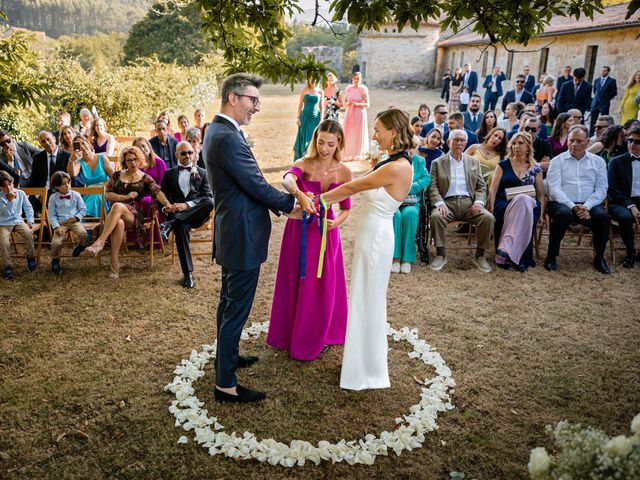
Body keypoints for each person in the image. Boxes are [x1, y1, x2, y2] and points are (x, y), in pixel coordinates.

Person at [204, 73, 305, 403]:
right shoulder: (228, 137)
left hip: (233, 230)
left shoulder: (219, 131)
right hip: (241, 233)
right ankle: (225, 385)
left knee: (228, 302)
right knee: (236, 308)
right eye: (253, 100)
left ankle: (227, 358)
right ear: (233, 98)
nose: (257, 107)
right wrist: (292, 204)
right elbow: (257, 184)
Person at [319, 108, 413, 390]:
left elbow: (354, 186)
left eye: (378, 130)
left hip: (376, 238)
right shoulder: (391, 159)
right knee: (363, 295)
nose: (373, 135)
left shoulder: (397, 167)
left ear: (393, 132)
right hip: (372, 233)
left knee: (367, 298)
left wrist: (319, 199)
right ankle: (360, 361)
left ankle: (365, 370)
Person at [267, 120, 351, 361]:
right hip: (300, 231)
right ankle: (291, 332)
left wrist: (337, 223)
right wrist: (299, 194)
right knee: (297, 279)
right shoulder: (303, 164)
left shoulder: (344, 171)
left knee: (323, 284)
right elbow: (287, 180)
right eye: (321, 142)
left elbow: (346, 208)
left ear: (339, 144)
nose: (324, 148)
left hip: (326, 233)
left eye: (330, 144)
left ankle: (322, 333)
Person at [84, 146, 172, 279]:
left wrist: (167, 204)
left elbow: (157, 192)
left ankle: (100, 241)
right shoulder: (117, 175)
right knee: (118, 223)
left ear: (140, 160)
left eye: (135, 159)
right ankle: (114, 266)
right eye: (129, 160)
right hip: (117, 216)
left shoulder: (145, 178)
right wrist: (124, 197)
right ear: (124, 162)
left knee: (118, 206)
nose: (133, 162)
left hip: (137, 215)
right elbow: (107, 195)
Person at [545, 125, 610, 274]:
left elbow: (601, 189)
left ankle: (599, 258)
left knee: (602, 217)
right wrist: (573, 206)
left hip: (590, 204)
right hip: (563, 203)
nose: (574, 144)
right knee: (563, 215)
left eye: (579, 141)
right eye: (571, 140)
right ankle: (551, 256)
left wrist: (586, 206)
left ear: (587, 141)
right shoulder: (557, 161)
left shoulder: (598, 162)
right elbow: (554, 189)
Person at [428, 129, 495, 273]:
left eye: (462, 140)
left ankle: (480, 255)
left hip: (469, 204)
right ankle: (441, 254)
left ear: (466, 143)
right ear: (448, 142)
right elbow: (432, 187)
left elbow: (481, 186)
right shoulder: (437, 163)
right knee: (436, 217)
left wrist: (478, 202)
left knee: (488, 218)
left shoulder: (473, 162)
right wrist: (440, 203)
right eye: (455, 140)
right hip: (447, 203)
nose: (459, 143)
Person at [159, 141, 214, 288]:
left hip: (196, 216)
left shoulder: (202, 173)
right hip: (178, 216)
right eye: (183, 153)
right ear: (176, 155)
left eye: (190, 152)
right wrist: (167, 208)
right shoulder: (169, 174)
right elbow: (162, 198)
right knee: (181, 227)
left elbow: (207, 196)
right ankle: (188, 274)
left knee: (210, 201)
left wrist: (187, 205)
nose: (187, 156)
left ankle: (169, 225)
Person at [488, 132, 544, 271]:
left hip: (530, 206)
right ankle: (520, 259)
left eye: (520, 143)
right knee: (522, 199)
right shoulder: (503, 165)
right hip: (504, 204)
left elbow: (541, 194)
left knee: (524, 199)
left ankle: (505, 249)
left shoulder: (535, 167)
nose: (516, 146)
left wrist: (542, 214)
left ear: (528, 146)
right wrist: (491, 210)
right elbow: (492, 190)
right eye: (513, 143)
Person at [392, 150, 431, 274]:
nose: (410, 149)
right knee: (395, 215)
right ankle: (395, 257)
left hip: (411, 201)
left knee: (410, 214)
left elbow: (426, 179)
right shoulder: (391, 158)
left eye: (413, 146)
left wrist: (409, 187)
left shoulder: (419, 161)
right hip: (393, 200)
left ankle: (407, 259)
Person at [607, 127, 640, 268]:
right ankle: (630, 252)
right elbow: (612, 189)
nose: (632, 144)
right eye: (630, 140)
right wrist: (631, 206)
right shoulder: (616, 162)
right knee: (626, 217)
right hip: (619, 201)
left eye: (637, 141)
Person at [47, 171, 88, 275]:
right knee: (56, 242)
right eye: (63, 184)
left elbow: (83, 209)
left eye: (68, 183)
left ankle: (81, 246)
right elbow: (51, 214)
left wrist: (76, 218)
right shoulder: (53, 198)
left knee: (83, 233)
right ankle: (55, 260)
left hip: (74, 221)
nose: (67, 186)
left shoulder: (76, 195)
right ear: (56, 186)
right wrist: (56, 227)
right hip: (60, 223)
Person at [67, 134, 114, 219]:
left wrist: (103, 186)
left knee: (96, 196)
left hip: (104, 189)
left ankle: (85, 217)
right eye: (79, 145)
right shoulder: (79, 163)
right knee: (94, 196)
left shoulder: (102, 158)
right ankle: (94, 222)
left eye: (83, 143)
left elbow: (113, 176)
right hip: (89, 193)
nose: (82, 147)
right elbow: (72, 174)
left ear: (88, 144)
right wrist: (71, 160)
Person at [0, 171, 36, 279]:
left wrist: (30, 220)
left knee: (28, 233)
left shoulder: (20, 193)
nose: (8, 187)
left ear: (13, 182)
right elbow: (4, 213)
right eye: (4, 186)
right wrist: (10, 201)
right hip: (3, 223)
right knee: (4, 242)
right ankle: (8, 267)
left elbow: (28, 207)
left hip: (18, 221)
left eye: (10, 184)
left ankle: (31, 258)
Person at [293, 79, 324, 160]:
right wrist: (298, 117)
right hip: (305, 118)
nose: (314, 82)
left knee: (314, 137)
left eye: (315, 80)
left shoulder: (320, 91)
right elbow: (300, 104)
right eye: (312, 80)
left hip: (315, 119)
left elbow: (321, 107)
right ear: (309, 80)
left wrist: (321, 119)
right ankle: (303, 159)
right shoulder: (304, 90)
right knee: (304, 137)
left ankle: (313, 158)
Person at [342, 72, 369, 161]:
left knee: (357, 132)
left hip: (359, 113)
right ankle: (348, 153)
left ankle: (357, 153)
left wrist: (357, 104)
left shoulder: (363, 89)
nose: (356, 80)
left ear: (360, 80)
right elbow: (344, 102)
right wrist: (347, 103)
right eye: (355, 78)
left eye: (358, 79)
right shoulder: (348, 89)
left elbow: (367, 104)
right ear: (352, 79)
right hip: (349, 112)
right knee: (348, 132)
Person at [589, 66, 617, 135]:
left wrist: (606, 99)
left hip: (604, 104)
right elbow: (595, 90)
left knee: (605, 121)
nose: (602, 72)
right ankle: (591, 135)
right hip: (595, 104)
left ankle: (604, 135)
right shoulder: (597, 80)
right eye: (602, 70)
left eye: (604, 71)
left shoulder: (612, 81)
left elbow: (613, 92)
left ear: (608, 72)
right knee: (593, 121)